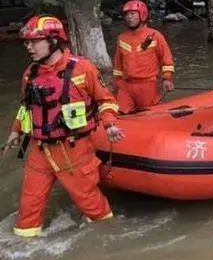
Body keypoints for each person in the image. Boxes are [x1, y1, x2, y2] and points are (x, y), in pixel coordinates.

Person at [2, 16, 124, 238]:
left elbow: (106, 101)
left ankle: (106, 240)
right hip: (39, 150)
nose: (28, 47)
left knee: (91, 203)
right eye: (26, 42)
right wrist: (15, 131)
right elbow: (26, 108)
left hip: (73, 149)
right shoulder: (30, 74)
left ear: (55, 41)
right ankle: (25, 247)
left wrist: (110, 125)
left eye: (34, 41)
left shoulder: (82, 69)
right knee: (29, 206)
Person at [112, 0, 175, 113]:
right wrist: (116, 83)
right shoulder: (121, 38)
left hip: (148, 85)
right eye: (126, 14)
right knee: (119, 115)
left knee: (150, 115)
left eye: (132, 14)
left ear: (142, 14)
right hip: (126, 85)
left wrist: (167, 79)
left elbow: (167, 60)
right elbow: (118, 65)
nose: (129, 17)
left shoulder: (155, 36)